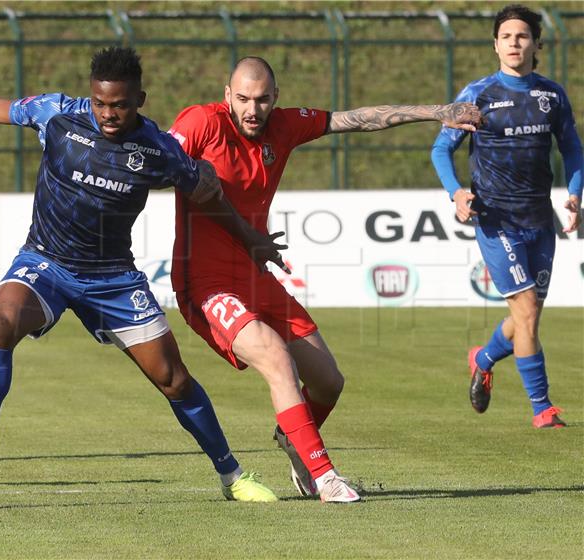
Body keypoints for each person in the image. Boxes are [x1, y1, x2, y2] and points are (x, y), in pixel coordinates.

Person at [0, 47, 284, 502]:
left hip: (113, 278)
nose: (108, 114)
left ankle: (233, 476)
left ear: (140, 100)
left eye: (120, 105)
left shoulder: (158, 150)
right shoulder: (58, 115)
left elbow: (207, 195)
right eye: (101, 103)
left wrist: (249, 238)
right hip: (46, 262)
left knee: (173, 379)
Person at [169, 56, 482, 502]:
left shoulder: (285, 126)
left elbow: (354, 120)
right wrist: (184, 173)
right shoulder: (202, 123)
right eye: (242, 99)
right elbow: (156, 158)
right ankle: (324, 476)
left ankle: (292, 436)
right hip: (205, 282)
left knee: (329, 382)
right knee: (277, 359)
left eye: (261, 100)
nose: (252, 110)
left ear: (275, 98)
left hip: (255, 275)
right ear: (227, 96)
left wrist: (437, 112)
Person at [431, 5, 582, 428]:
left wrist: (574, 193)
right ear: (495, 44)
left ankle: (482, 358)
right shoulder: (476, 95)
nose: (515, 42)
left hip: (540, 221)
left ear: (536, 44)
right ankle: (542, 408)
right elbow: (442, 149)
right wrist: (458, 192)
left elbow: (572, 147)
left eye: (523, 36)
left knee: (525, 316)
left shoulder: (551, 96)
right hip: (495, 219)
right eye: (507, 36)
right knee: (528, 312)